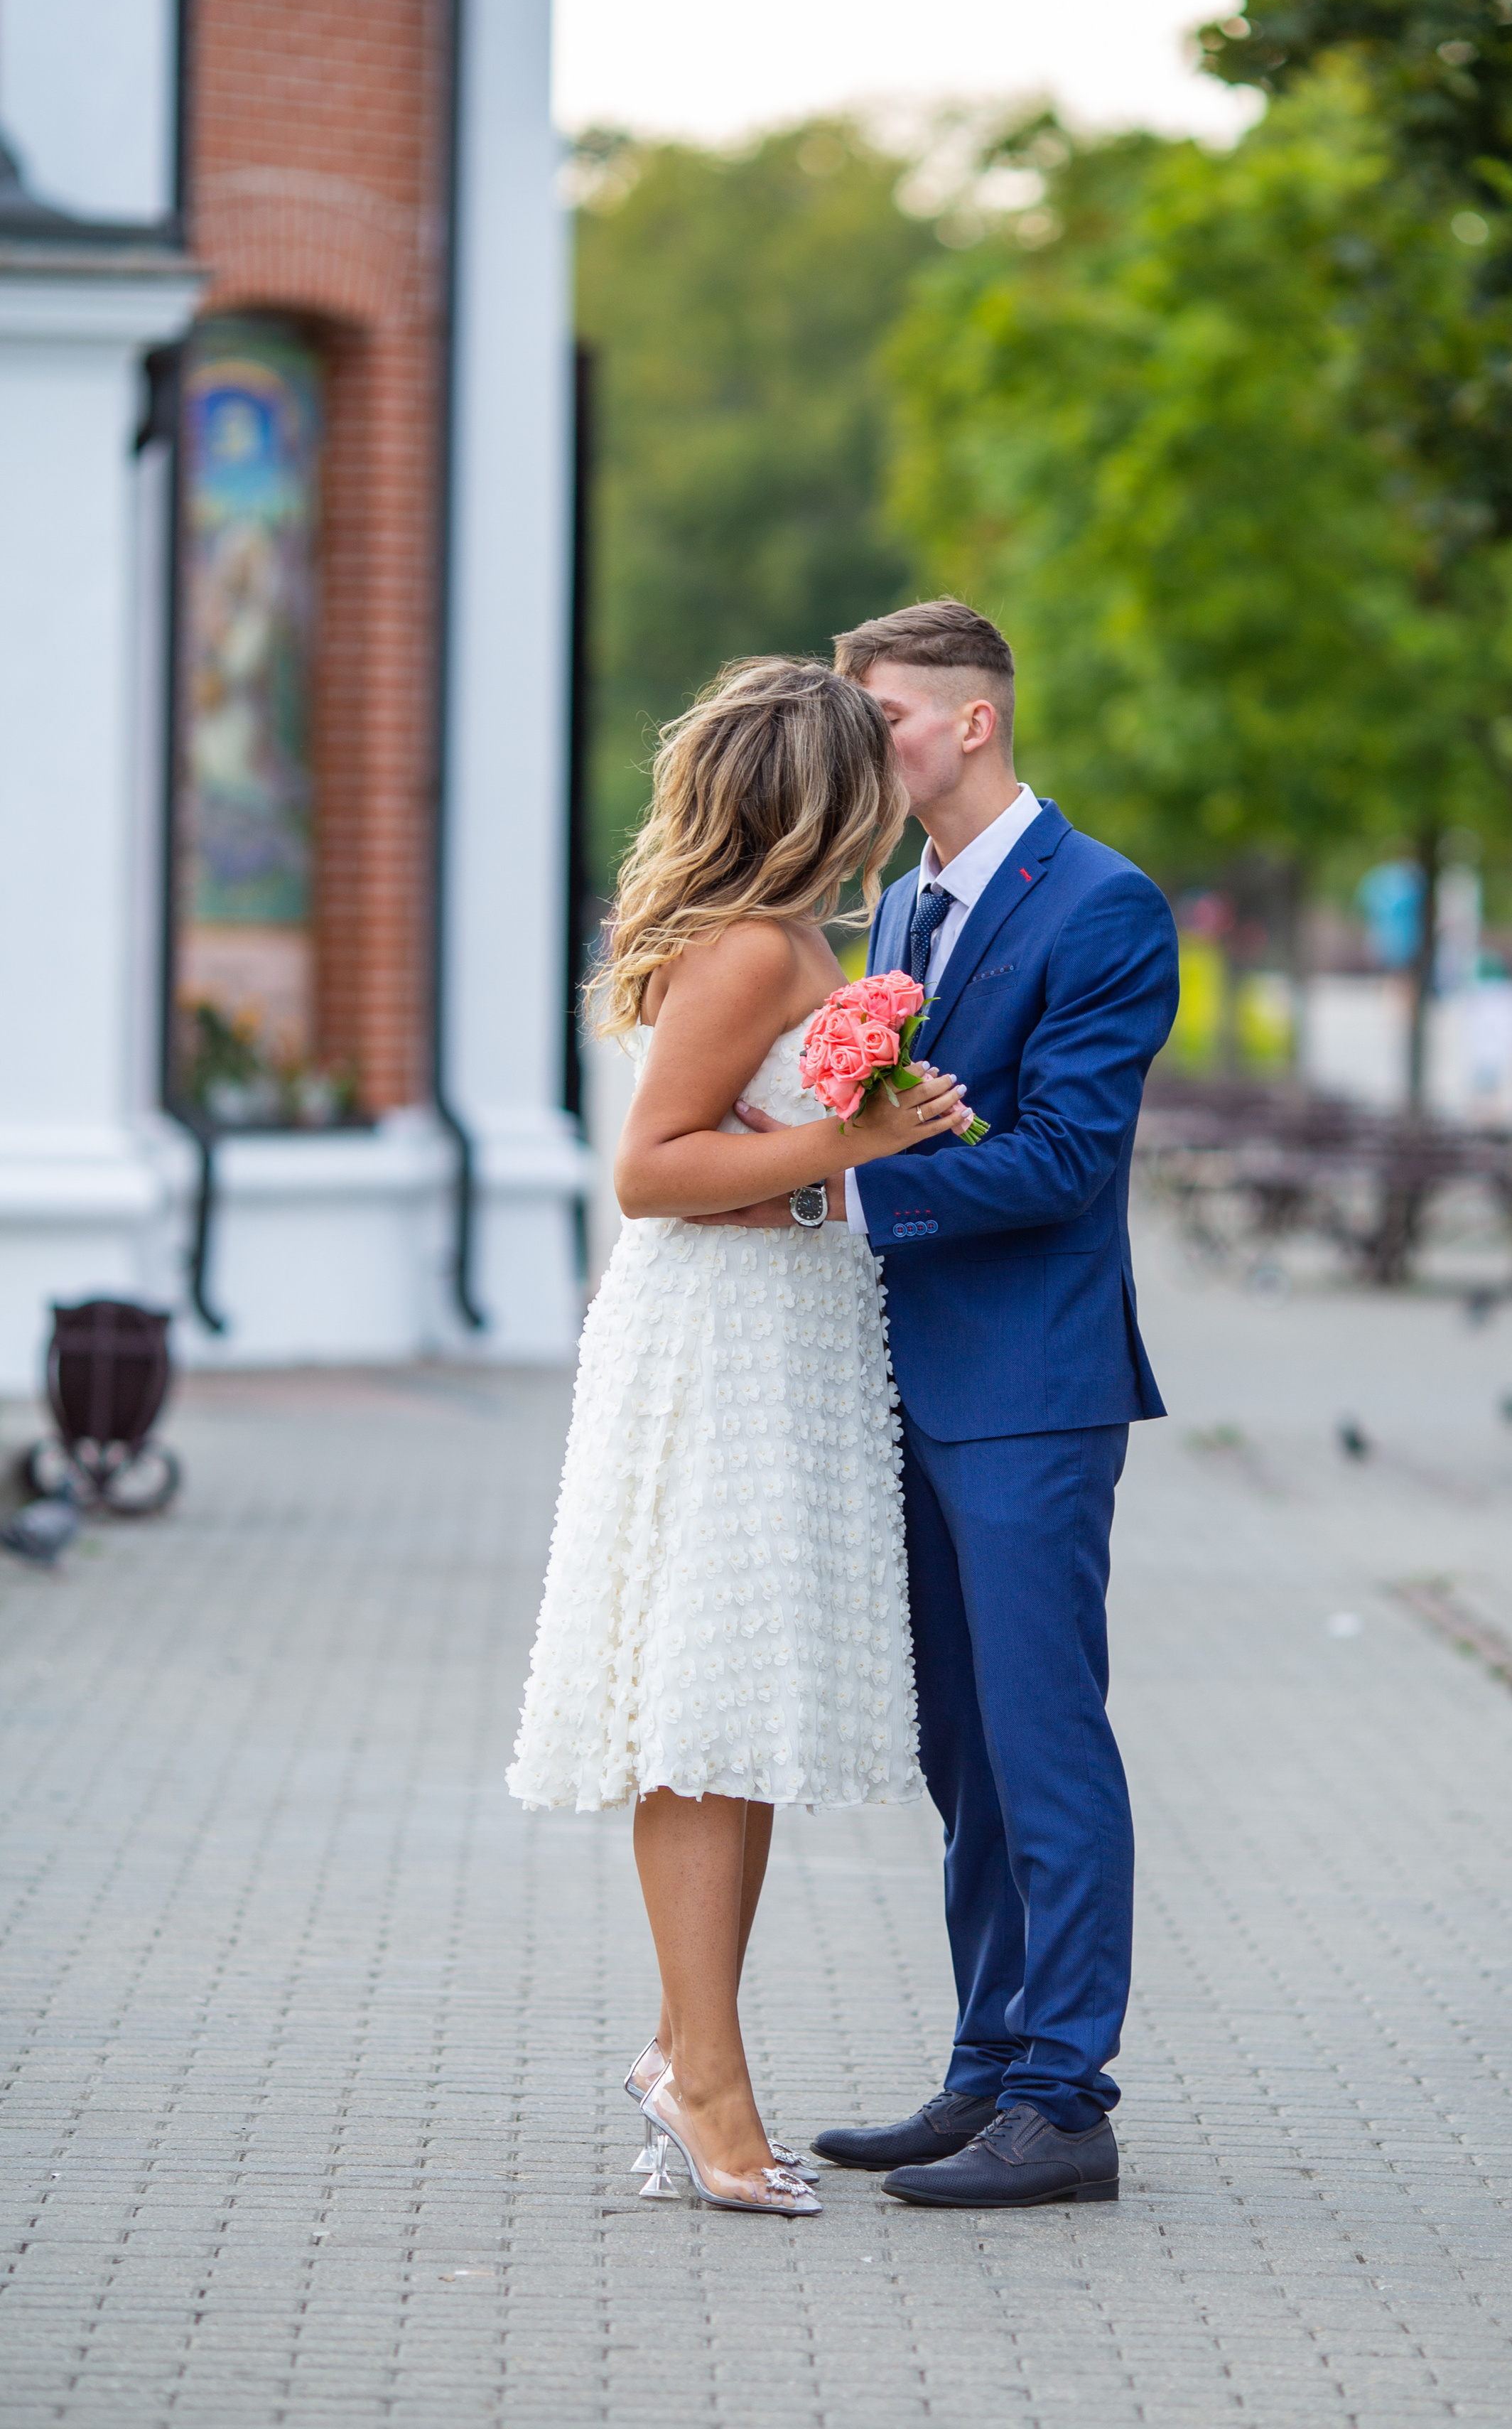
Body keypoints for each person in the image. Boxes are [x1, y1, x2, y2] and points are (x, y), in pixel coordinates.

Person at [722, 599, 1179, 2208]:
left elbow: (1063, 1161)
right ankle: (987, 2067)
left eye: (889, 719)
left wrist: (851, 1191)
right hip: (904, 1382)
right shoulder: (902, 902)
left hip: (1033, 1389)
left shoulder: (1104, 907)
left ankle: (1066, 2099)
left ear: (972, 721)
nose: (866, 748)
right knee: (963, 1752)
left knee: (1045, 1741)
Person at [505, 657, 976, 2219]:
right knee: (702, 1717)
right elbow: (648, 1171)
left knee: (739, 1717)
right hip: (720, 1350)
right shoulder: (750, 951)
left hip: (782, 1336)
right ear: (819, 795)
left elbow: (749, 1152)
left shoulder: (779, 945)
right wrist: (857, 1139)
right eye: (869, 774)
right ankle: (703, 2076)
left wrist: (844, 1147)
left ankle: (677, 2047)